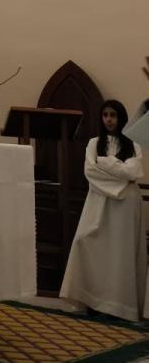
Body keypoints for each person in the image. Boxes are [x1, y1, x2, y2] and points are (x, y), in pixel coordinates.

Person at [60, 100, 146, 322]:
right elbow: (91, 171)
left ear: (121, 117)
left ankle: (118, 306)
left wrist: (106, 163)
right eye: (105, 115)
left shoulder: (132, 144)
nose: (108, 119)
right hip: (99, 201)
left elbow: (134, 171)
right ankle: (93, 300)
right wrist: (119, 172)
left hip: (125, 205)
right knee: (88, 243)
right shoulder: (93, 143)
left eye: (113, 115)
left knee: (120, 253)